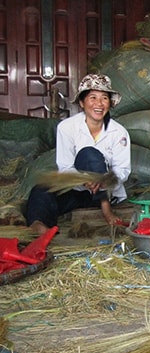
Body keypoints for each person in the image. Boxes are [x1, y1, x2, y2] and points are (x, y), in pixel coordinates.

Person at [25, 74, 131, 234]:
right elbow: (65, 166)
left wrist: (103, 181)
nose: (99, 104)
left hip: (108, 195)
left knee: (90, 155)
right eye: (93, 98)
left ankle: (105, 207)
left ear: (110, 103)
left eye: (104, 98)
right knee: (40, 190)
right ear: (82, 102)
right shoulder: (66, 127)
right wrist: (85, 181)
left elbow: (123, 170)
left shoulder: (119, 132)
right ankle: (39, 225)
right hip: (77, 191)